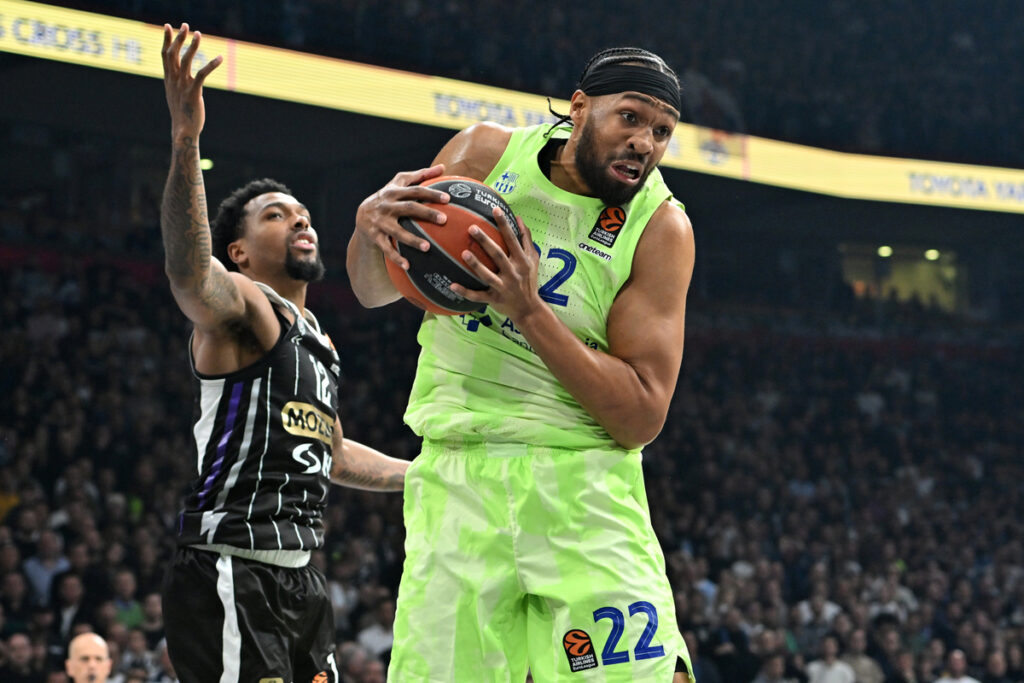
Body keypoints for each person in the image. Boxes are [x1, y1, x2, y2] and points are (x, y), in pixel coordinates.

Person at [349, 46, 695, 681]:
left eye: (662, 131)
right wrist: (368, 228)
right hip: (456, 478)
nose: (645, 142)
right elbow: (374, 289)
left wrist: (529, 311)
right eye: (631, 118)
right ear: (580, 108)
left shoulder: (660, 227)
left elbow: (642, 414)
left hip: (582, 486)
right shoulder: (483, 156)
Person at [157, 24, 409, 683]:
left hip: (300, 578)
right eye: (276, 214)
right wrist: (187, 143)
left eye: (302, 212)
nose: (300, 219)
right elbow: (189, 273)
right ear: (239, 251)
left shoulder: (317, 338)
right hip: (230, 567)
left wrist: (422, 474)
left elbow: (331, 447)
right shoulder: (241, 303)